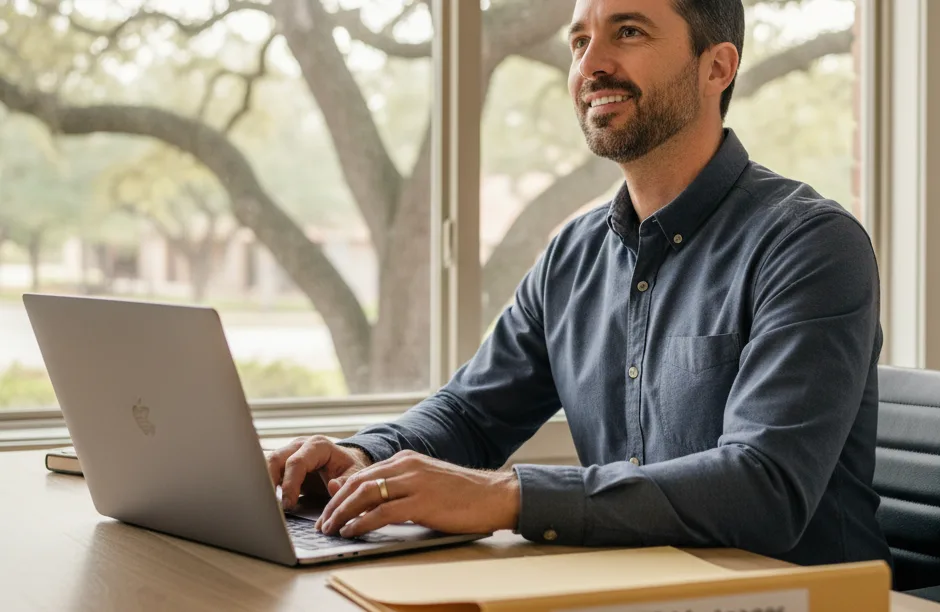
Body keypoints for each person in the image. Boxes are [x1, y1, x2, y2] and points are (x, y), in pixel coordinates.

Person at [267, 0, 892, 567]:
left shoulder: (810, 244)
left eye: (628, 31)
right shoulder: (575, 252)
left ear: (717, 68)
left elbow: (764, 488)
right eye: (579, 42)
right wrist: (363, 458)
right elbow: (471, 414)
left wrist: (504, 496)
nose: (592, 64)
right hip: (628, 588)